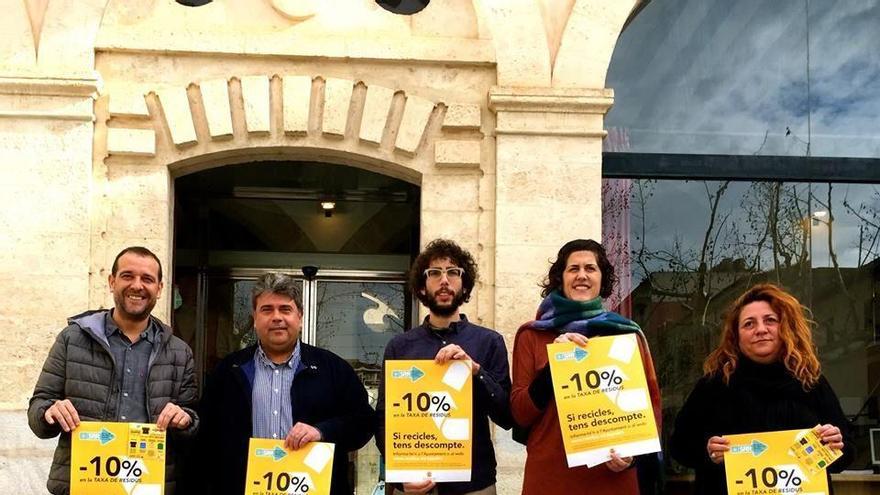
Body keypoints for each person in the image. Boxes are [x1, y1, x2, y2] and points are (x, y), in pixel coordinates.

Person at [27, 246, 199, 495]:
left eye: (147, 279)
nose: (137, 285)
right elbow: (38, 410)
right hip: (81, 486)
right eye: (128, 276)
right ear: (111, 281)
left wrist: (184, 421)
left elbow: (192, 422)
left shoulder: (179, 352)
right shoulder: (72, 339)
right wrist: (49, 412)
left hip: (147, 486)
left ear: (160, 288)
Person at [198, 272, 374, 495]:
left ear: (299, 317)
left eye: (285, 309)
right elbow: (206, 440)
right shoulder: (228, 371)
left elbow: (364, 422)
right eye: (267, 309)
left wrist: (322, 431)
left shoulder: (332, 368)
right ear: (254, 319)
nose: (277, 317)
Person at [669, 283, 855, 494]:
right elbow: (679, 446)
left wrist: (835, 445)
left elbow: (846, 454)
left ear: (785, 327)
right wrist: (708, 451)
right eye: (749, 324)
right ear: (736, 337)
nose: (760, 329)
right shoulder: (713, 386)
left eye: (770, 320)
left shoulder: (811, 381)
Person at [510, 239, 662, 495]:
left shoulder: (627, 335)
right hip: (551, 478)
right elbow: (520, 413)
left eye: (590, 268)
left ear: (603, 278)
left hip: (612, 479)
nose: (582, 275)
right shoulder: (531, 335)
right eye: (573, 269)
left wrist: (631, 458)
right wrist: (556, 363)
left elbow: (649, 414)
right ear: (561, 278)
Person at [377, 239, 513, 495]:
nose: (444, 281)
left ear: (465, 284)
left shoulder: (489, 342)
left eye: (453, 272)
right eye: (434, 273)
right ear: (421, 286)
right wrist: (398, 478)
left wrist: (476, 371)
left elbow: (506, 416)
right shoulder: (400, 347)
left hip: (474, 483)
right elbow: (384, 419)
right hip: (413, 483)